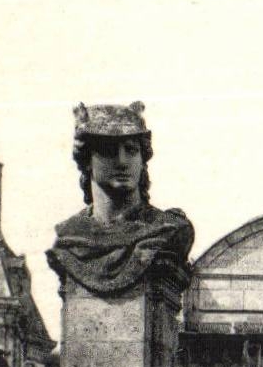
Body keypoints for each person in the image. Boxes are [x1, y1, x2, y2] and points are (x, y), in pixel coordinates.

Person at [47, 103, 193, 295]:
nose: (122, 162)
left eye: (131, 150)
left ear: (142, 160)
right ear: (87, 161)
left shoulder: (168, 229)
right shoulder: (70, 236)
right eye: (108, 151)